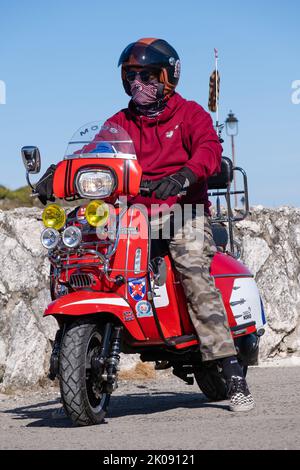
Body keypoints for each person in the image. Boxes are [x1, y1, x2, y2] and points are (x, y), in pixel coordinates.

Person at [39, 38, 255, 413]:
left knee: (191, 267)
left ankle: (230, 370)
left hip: (185, 212)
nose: (139, 84)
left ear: (169, 77)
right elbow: (93, 154)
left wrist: (185, 176)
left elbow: (208, 151)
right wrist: (57, 172)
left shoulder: (190, 114)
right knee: (79, 246)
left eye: (148, 76)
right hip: (132, 215)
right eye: (131, 76)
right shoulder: (119, 123)